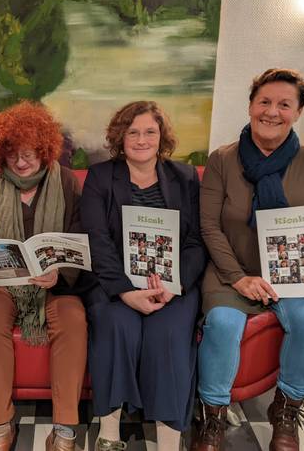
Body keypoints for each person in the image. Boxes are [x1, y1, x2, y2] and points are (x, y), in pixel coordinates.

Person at [192, 68, 304, 451]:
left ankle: (286, 410)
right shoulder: (222, 160)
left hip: (292, 276)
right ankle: (213, 419)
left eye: (284, 104)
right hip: (231, 273)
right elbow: (209, 227)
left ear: (299, 112)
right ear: (250, 105)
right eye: (264, 102)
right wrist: (239, 278)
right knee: (223, 323)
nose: (272, 111)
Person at [0, 101, 88, 451]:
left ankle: (64, 429)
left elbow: (80, 237)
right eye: (13, 154)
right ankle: (1, 422)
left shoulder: (66, 182)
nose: (20, 163)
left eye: (29, 154)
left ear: (44, 150)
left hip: (55, 286)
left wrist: (59, 272)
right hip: (3, 284)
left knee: (74, 320)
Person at [80, 101, 207, 450]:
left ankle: (168, 441)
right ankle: (109, 435)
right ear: (120, 137)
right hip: (114, 282)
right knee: (118, 325)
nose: (141, 139)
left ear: (161, 135)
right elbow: (96, 238)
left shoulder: (185, 177)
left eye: (150, 131)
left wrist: (173, 285)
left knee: (167, 334)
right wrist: (124, 291)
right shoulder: (101, 176)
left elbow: (195, 241)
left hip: (173, 284)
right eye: (132, 132)